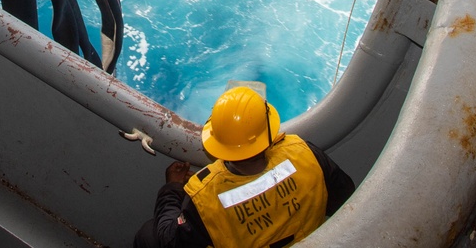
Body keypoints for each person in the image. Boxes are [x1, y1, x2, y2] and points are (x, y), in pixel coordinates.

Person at [134, 86, 354, 248]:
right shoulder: (305, 153)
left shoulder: (204, 196)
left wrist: (172, 189)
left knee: (148, 236)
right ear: (267, 131)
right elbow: (345, 197)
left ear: (218, 144)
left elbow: (169, 240)